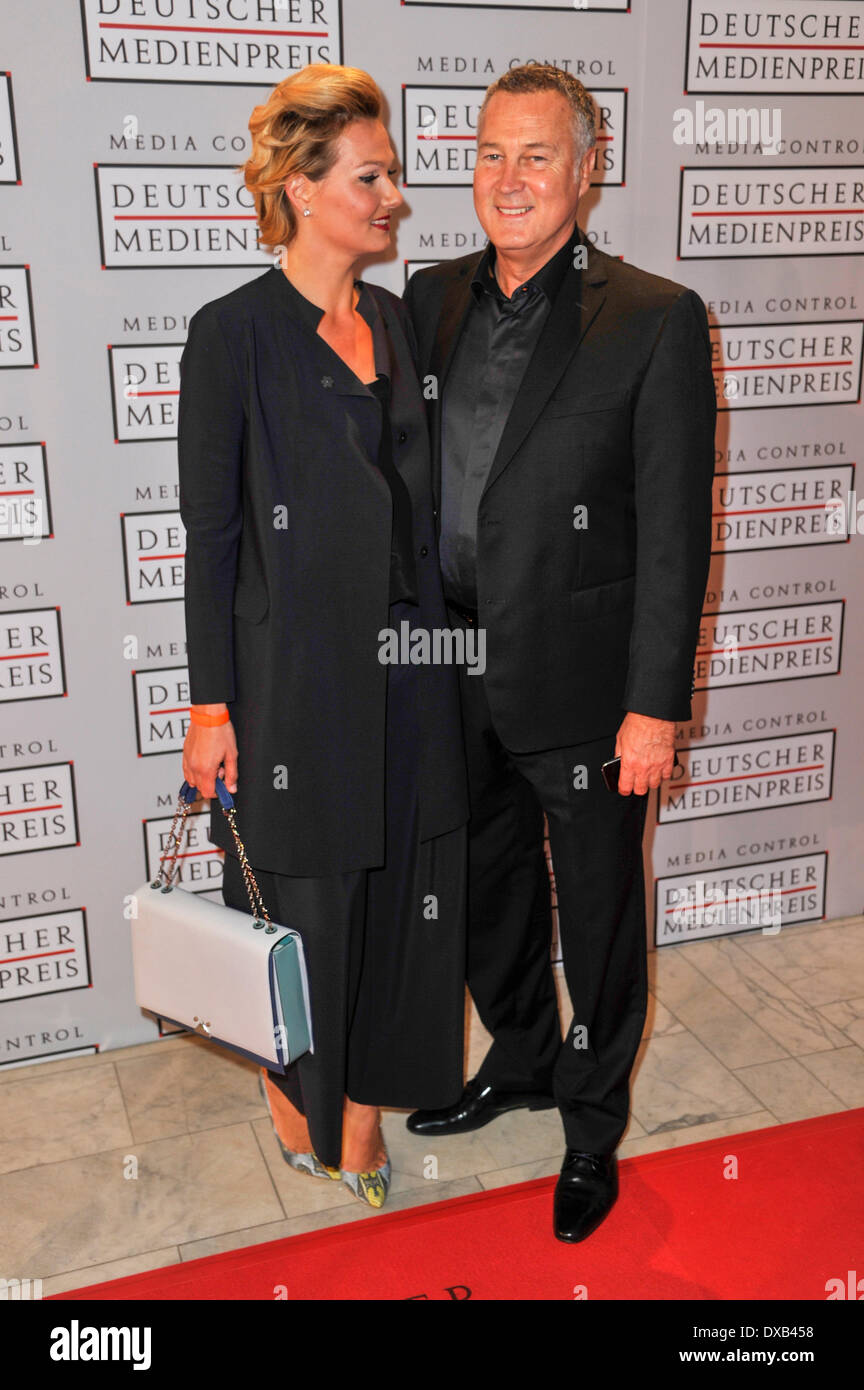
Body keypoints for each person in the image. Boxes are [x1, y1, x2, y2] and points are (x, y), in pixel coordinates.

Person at [403, 65, 716, 1241]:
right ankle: (523, 1056)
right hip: (449, 671)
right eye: (491, 153)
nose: (510, 179)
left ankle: (591, 1122)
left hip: (587, 689)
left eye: (538, 155)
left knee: (596, 911)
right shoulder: (428, 299)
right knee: (488, 895)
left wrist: (654, 705)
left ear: (589, 168)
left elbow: (676, 532)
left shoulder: (651, 317)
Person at [178, 64, 468, 1210]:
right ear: (302, 187)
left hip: (412, 672)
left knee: (405, 891)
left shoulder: (397, 320)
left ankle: (361, 1103)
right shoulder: (230, 336)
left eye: (391, 172)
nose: (395, 195)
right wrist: (211, 707)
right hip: (293, 684)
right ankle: (299, 1084)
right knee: (309, 905)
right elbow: (211, 538)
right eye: (371, 175)